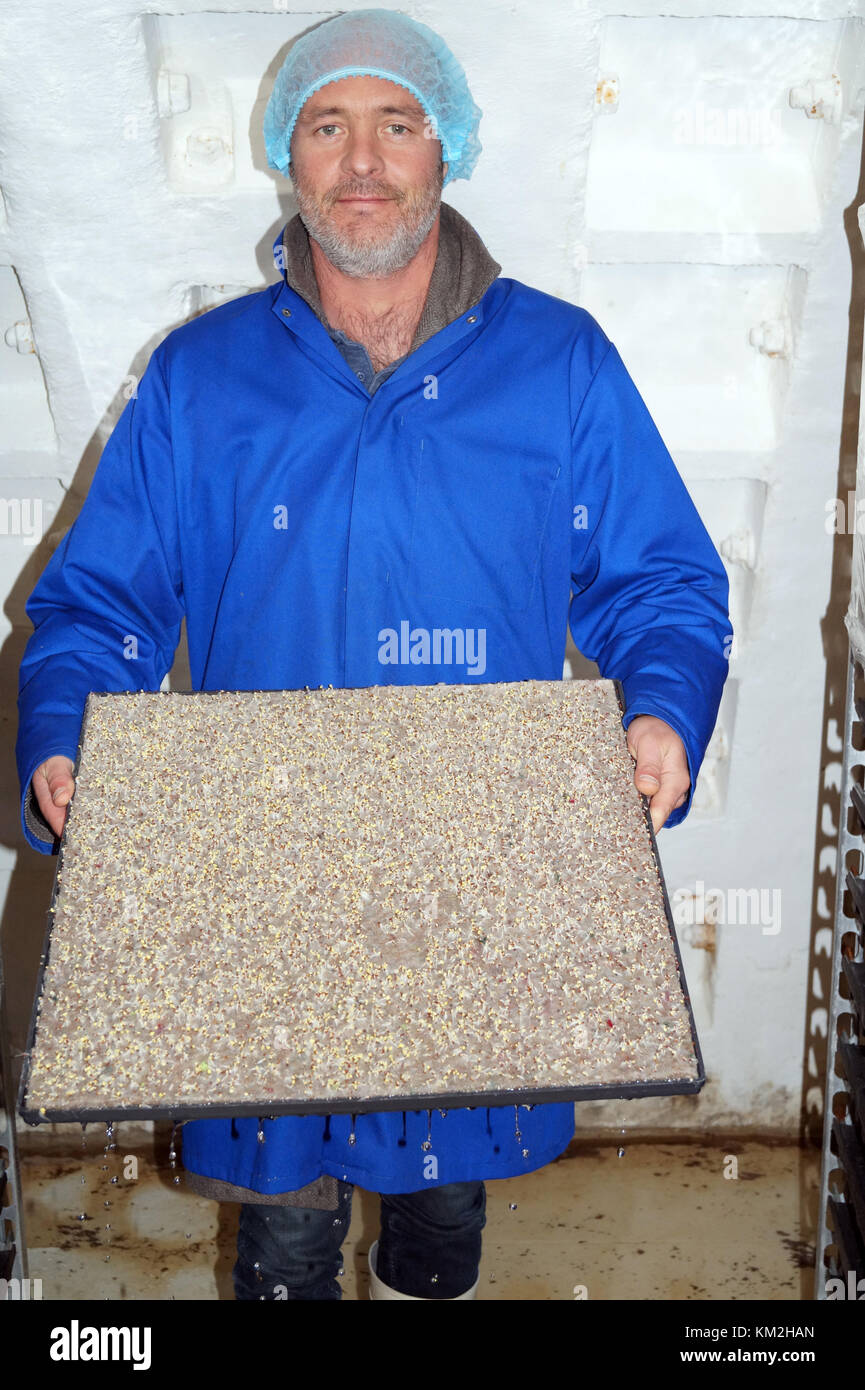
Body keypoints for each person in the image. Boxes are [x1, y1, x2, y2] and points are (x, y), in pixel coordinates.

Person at [15, 9, 731, 1300]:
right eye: (328, 126)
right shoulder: (203, 379)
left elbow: (661, 579)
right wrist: (70, 731)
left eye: (395, 125)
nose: (363, 159)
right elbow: (102, 600)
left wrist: (663, 709)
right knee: (280, 1226)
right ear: (288, 159)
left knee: (441, 1203)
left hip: (471, 891)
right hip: (263, 882)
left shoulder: (555, 366)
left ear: (443, 151)